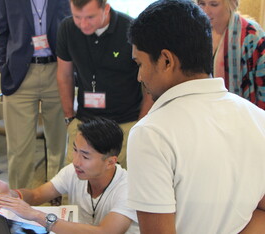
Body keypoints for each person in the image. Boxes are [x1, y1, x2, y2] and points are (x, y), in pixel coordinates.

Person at [125, 0, 265, 233]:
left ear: (166, 61)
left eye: (140, 64)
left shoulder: (150, 134)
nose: (140, 76)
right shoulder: (257, 118)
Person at [0, 117, 139, 234]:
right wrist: (12, 194)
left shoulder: (128, 188)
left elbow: (104, 232)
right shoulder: (74, 171)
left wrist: (36, 215)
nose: (76, 161)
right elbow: (37, 195)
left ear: (110, 162)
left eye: (85, 156)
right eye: (75, 150)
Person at [56, 0, 153, 169]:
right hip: (84, 121)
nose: (83, 24)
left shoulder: (131, 29)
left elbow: (149, 83)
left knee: (122, 185)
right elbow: (64, 75)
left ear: (106, 9)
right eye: (77, 17)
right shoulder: (67, 28)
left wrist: (140, 125)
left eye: (90, 17)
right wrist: (69, 117)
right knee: (75, 183)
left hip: (125, 122)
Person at [0, 0, 71, 189]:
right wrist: (4, 68)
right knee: (20, 150)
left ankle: (56, 195)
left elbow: (74, 26)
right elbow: (0, 32)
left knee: (59, 145)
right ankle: (20, 200)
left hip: (58, 71)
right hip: (20, 75)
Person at [197, 0, 265, 110]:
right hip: (206, 111)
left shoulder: (252, 36)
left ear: (230, 5)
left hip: (245, 114)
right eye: (202, 4)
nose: (205, 11)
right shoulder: (197, 34)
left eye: (214, 4)